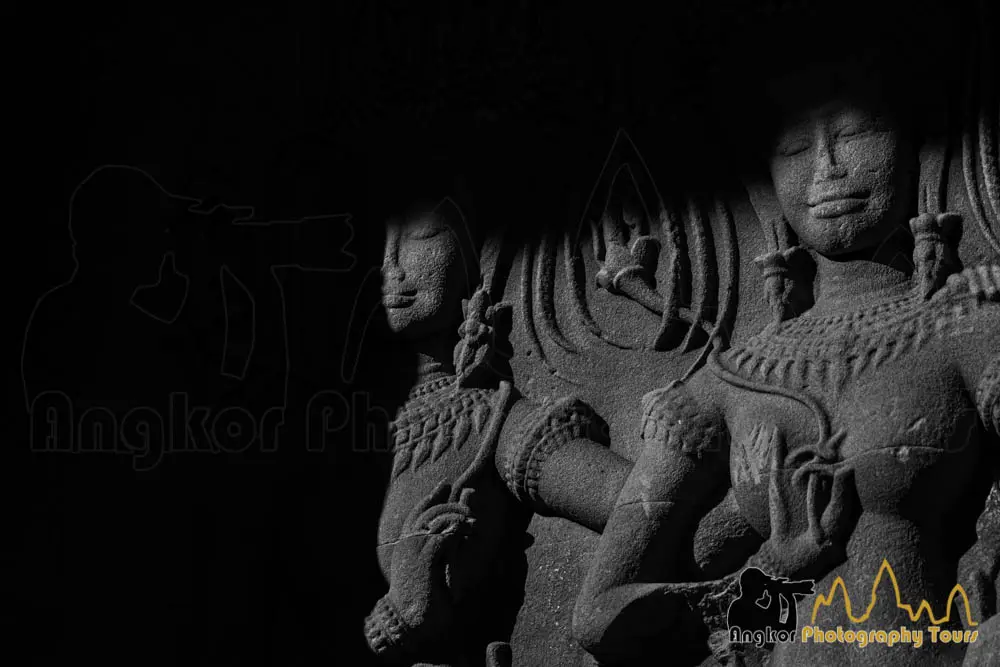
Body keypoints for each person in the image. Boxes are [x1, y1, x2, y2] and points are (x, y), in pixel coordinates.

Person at [572, 82, 1000, 666]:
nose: (827, 167)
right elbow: (599, 613)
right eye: (795, 149)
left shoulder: (967, 324)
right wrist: (772, 573)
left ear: (917, 148)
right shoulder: (728, 382)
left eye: (856, 133)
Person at [362, 177, 634, 666]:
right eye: (375, 244)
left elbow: (639, 506)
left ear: (477, 259)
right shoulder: (327, 430)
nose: (390, 266)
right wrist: (400, 613)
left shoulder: (491, 419)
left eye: (422, 236)